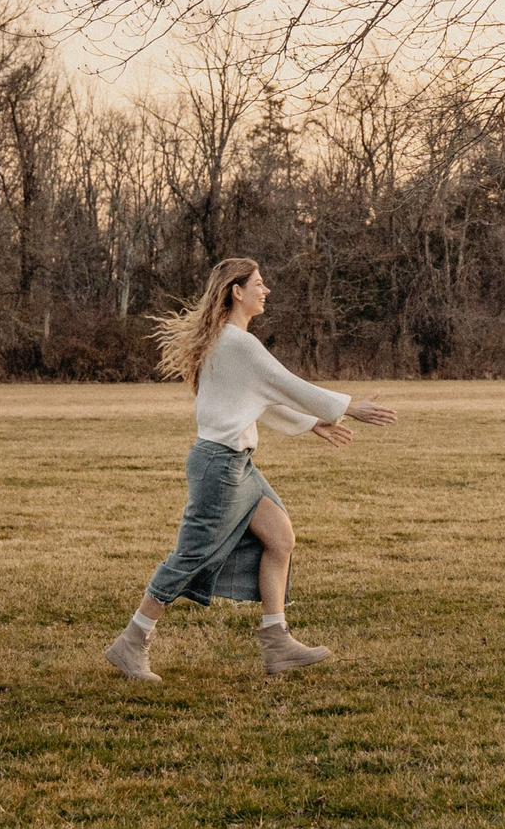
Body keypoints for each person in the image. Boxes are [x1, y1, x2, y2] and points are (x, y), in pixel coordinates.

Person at [105, 257, 395, 681]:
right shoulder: (237, 344)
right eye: (259, 284)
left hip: (235, 463)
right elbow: (289, 384)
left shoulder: (229, 341)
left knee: (280, 537)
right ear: (237, 291)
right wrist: (351, 407)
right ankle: (132, 642)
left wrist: (313, 422)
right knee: (189, 557)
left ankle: (276, 642)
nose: (267, 290)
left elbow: (263, 398)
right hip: (219, 466)